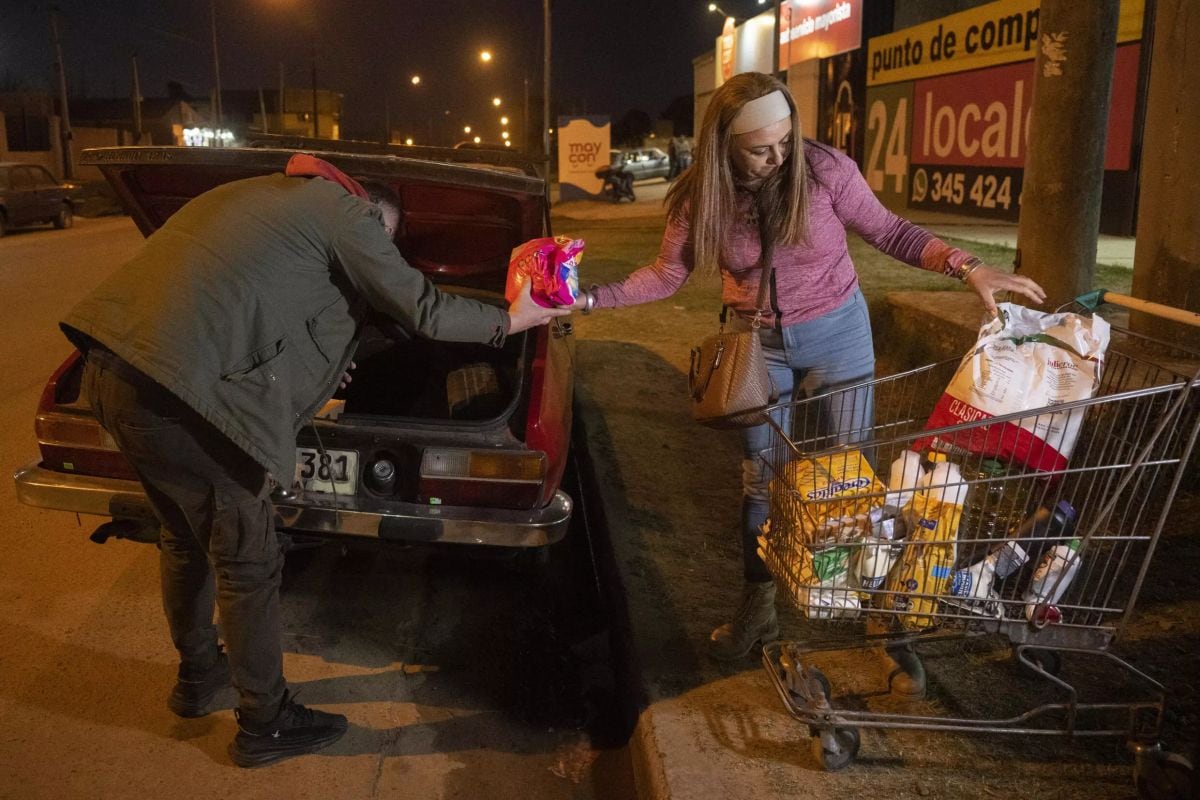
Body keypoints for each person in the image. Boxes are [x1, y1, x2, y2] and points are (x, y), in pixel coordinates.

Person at [60, 154, 568, 767]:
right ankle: (266, 723)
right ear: (375, 215)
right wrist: (513, 318)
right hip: (187, 400)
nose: (381, 256)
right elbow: (424, 309)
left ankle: (199, 678)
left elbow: (255, 304)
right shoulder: (346, 212)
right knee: (248, 563)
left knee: (182, 537)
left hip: (113, 373)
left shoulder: (248, 195)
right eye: (387, 242)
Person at [569, 73, 1044, 695]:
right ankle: (758, 611)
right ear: (724, 145)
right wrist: (586, 299)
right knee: (762, 485)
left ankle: (885, 629)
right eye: (762, 148)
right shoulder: (701, 195)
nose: (780, 156)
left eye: (787, 140)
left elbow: (890, 230)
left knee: (849, 481)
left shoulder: (823, 170)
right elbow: (666, 274)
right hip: (754, 351)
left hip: (838, 336)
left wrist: (967, 266)